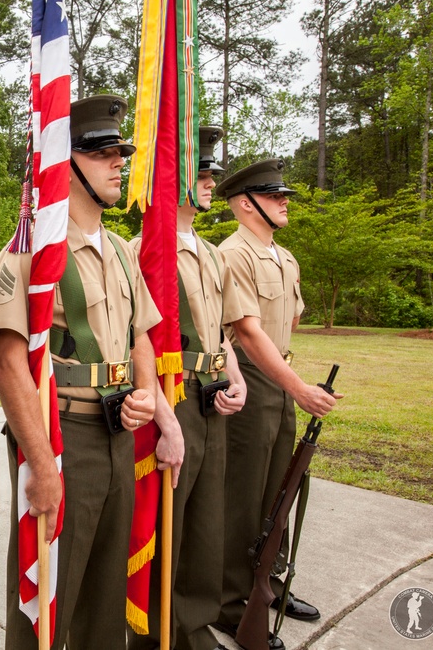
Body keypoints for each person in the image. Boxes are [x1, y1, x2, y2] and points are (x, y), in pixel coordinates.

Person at [0, 94, 162, 650]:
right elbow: (10, 363)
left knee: (105, 596)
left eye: (122, 152)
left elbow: (141, 335)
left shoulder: (120, 250)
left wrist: (146, 399)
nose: (120, 163)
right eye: (102, 152)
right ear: (64, 163)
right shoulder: (31, 251)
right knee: (46, 600)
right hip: (63, 439)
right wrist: (41, 464)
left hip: (119, 435)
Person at [213, 158, 342, 643]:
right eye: (274, 196)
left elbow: (287, 326)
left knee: (278, 490)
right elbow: (247, 334)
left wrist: (291, 381)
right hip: (249, 379)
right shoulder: (234, 254)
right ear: (246, 204)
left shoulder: (284, 258)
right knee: (244, 496)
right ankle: (230, 602)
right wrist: (298, 387)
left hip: (278, 375)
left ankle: (270, 583)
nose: (285, 201)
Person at [128, 127, 247, 650]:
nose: (209, 183)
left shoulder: (213, 253)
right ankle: (159, 635)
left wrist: (237, 378)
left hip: (212, 397)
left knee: (205, 524)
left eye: (212, 174)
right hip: (170, 399)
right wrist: (160, 415)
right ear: (170, 178)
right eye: (198, 173)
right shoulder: (143, 251)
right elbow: (138, 339)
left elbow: (224, 332)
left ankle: (194, 630)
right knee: (166, 525)